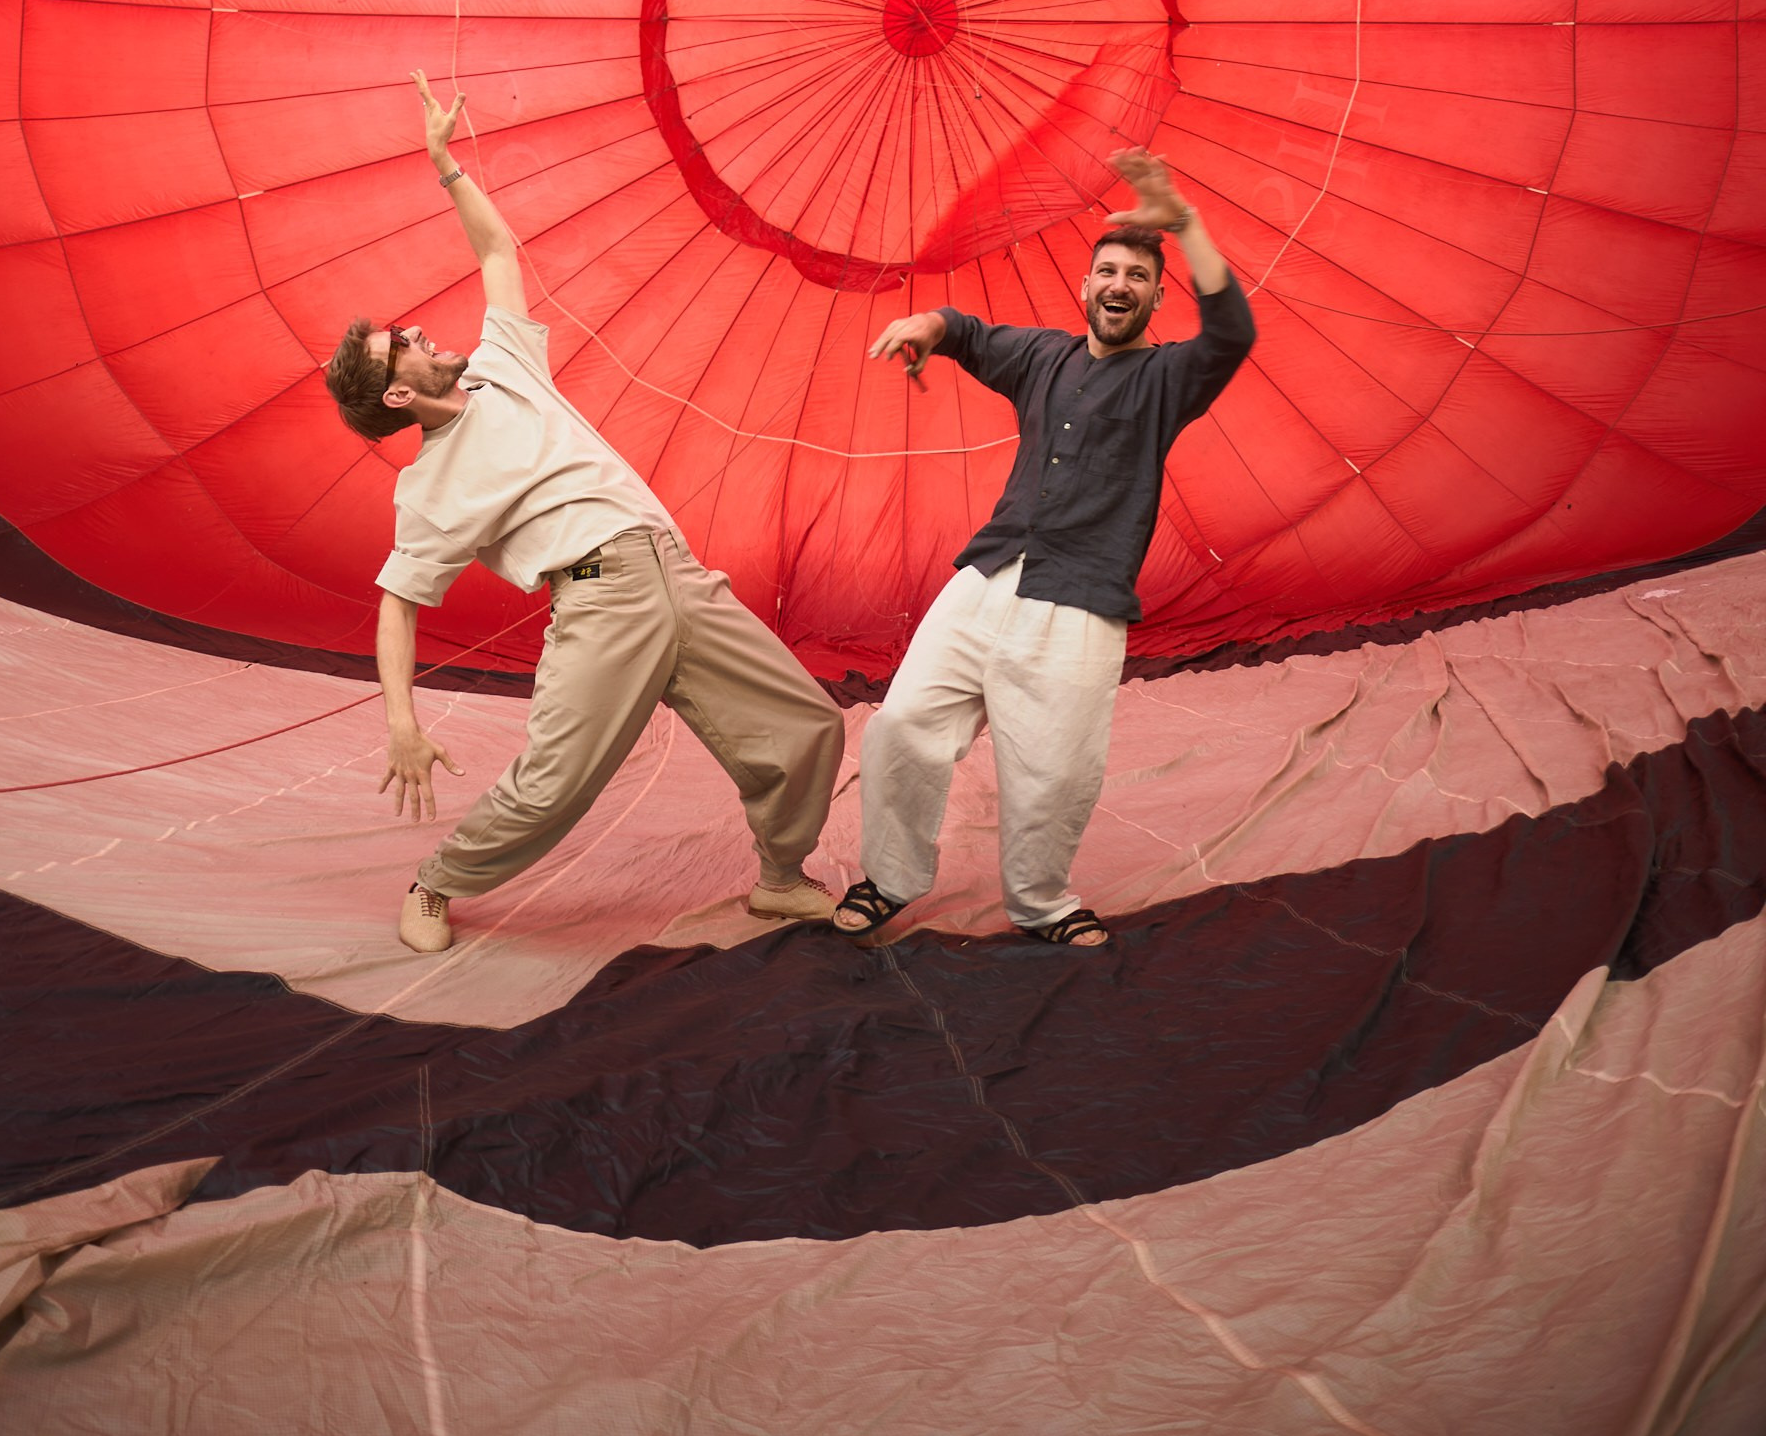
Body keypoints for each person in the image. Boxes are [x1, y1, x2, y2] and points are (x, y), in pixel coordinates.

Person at [327, 75, 846, 955]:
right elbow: (397, 602)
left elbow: (499, 255)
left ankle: (781, 880)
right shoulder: (428, 486)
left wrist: (445, 164)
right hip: (601, 596)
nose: (419, 334)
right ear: (399, 391)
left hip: (677, 571)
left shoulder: (502, 368)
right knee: (557, 783)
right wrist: (402, 726)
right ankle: (438, 881)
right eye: (402, 345)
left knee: (809, 723)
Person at [832, 150, 1255, 951]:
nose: (1119, 285)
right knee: (901, 727)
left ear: (1157, 298)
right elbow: (971, 333)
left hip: (1080, 599)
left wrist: (1185, 224)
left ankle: (1043, 902)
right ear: (1087, 287)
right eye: (1108, 272)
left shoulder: (1169, 379)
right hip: (985, 579)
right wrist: (929, 325)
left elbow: (1233, 331)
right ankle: (888, 878)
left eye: (1136, 275)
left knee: (1054, 771)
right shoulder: (1043, 357)